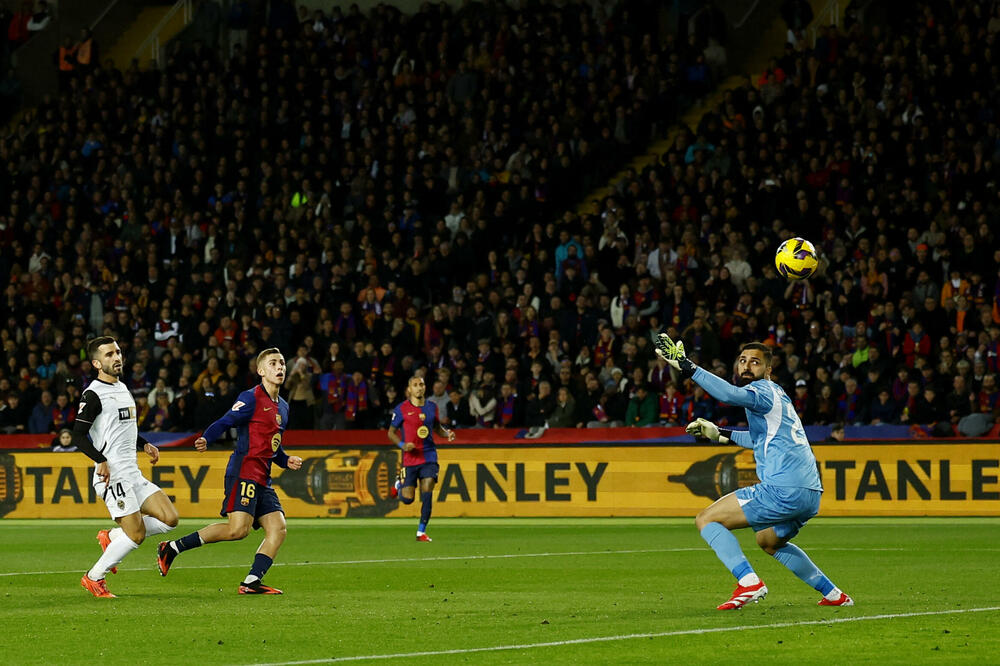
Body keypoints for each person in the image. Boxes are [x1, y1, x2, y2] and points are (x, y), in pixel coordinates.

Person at [655, 334, 853, 609]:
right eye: (742, 361)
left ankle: (749, 582)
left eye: (755, 362)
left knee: (707, 519)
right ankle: (834, 595)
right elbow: (759, 438)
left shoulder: (762, 391)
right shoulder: (777, 396)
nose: (747, 366)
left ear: (768, 369)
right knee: (768, 541)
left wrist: (687, 366)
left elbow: (728, 395)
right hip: (809, 494)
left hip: (783, 489)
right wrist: (721, 433)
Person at [155, 348, 303, 594]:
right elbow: (226, 421)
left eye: (282, 363)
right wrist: (207, 437)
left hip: (263, 477)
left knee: (278, 529)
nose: (280, 367)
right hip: (244, 471)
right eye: (273, 363)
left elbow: (272, 446)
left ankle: (251, 582)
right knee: (237, 530)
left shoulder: (284, 407)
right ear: (261, 370)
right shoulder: (251, 397)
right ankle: (172, 547)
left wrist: (286, 460)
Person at [73, 337, 179, 598]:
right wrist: (100, 459)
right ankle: (94, 577)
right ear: (97, 363)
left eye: (118, 352)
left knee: (170, 519)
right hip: (112, 476)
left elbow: (124, 428)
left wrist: (144, 444)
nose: (117, 357)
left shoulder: (122, 388)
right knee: (137, 535)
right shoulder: (93, 394)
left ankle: (111, 536)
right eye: (109, 354)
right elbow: (77, 435)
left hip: (132, 472)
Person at [387, 374, 455, 541]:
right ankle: (399, 483)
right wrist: (403, 445)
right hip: (410, 458)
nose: (419, 388)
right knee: (408, 499)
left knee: (428, 487)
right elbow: (391, 433)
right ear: (409, 389)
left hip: (429, 455)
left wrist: (447, 433)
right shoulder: (401, 409)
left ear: (425, 388)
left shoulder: (432, 407)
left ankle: (421, 532)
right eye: (415, 385)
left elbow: (437, 427)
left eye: (421, 385)